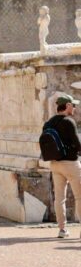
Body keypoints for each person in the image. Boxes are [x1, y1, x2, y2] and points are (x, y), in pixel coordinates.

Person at [43, 94, 81, 239]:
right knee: (79, 196)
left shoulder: (49, 123)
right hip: (71, 164)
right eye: (74, 105)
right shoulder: (68, 122)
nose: (75, 108)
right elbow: (77, 144)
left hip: (55, 164)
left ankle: (62, 229)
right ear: (68, 106)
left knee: (59, 198)